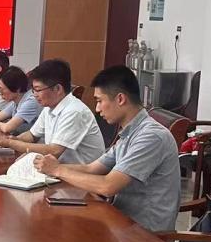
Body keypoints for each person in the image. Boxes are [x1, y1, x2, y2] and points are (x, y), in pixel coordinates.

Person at [33, 65, 180, 232]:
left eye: (99, 101)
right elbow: (92, 168)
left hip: (145, 236)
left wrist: (58, 170)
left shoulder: (151, 137)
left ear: (120, 99)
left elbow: (108, 186)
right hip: (120, 222)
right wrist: (49, 167)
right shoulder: (129, 133)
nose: (97, 109)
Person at [0, 59, 104, 164]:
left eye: (38, 90)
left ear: (57, 89)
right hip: (58, 167)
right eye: (33, 90)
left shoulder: (74, 111)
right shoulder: (49, 107)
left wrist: (10, 143)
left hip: (80, 174)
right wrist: (12, 139)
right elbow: (32, 135)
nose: (34, 95)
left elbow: (54, 150)